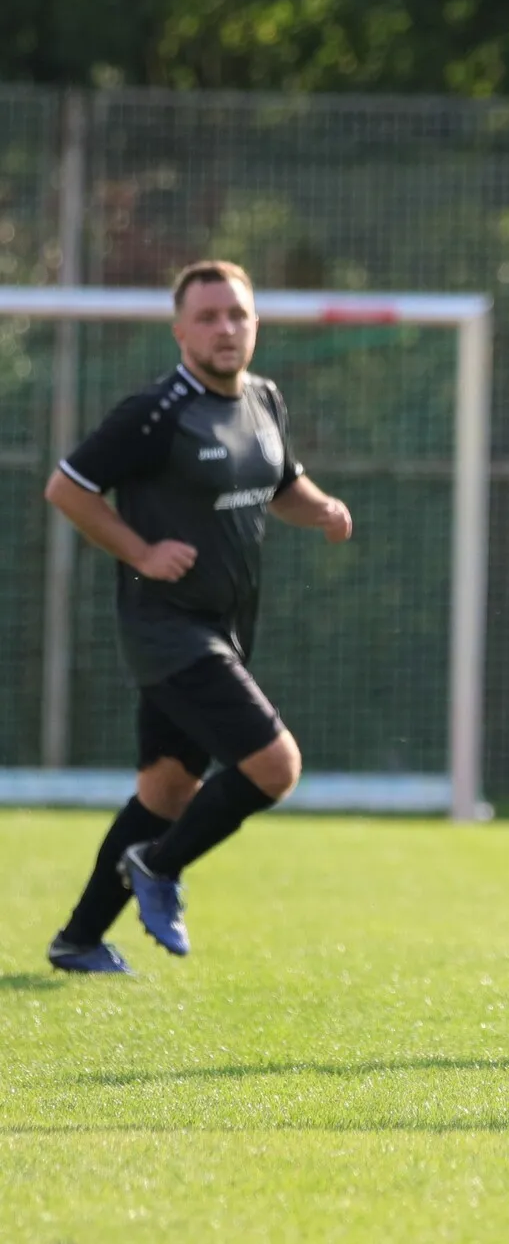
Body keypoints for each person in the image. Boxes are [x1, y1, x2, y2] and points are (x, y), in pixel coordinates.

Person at [44, 260, 353, 974]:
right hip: (168, 630)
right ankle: (158, 865)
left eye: (237, 314)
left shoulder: (264, 400)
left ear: (255, 324)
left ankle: (79, 940)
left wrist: (325, 509)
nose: (225, 328)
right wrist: (141, 552)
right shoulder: (156, 412)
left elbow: (282, 484)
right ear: (180, 331)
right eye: (208, 317)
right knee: (276, 765)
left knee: (167, 789)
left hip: (225, 627)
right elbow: (68, 488)